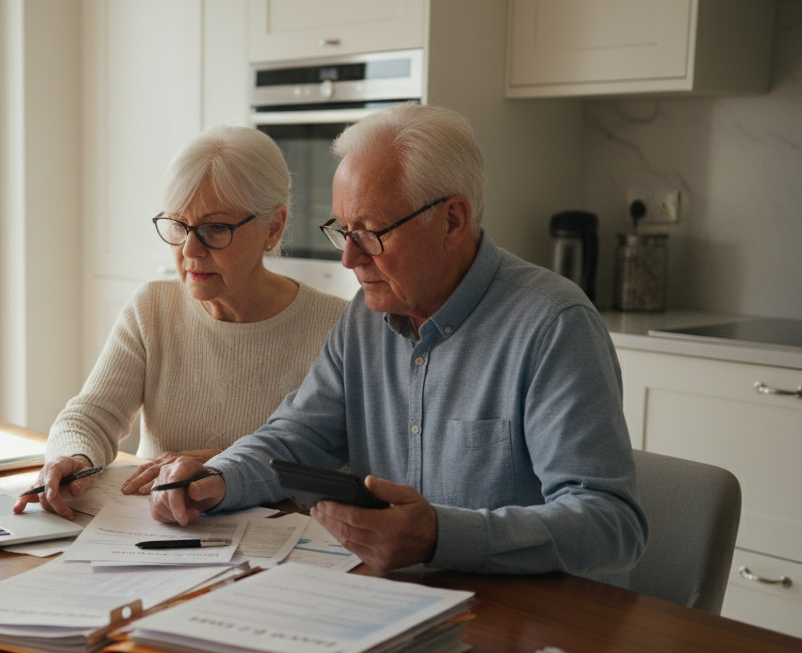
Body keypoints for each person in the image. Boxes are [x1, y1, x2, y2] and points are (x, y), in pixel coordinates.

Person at [148, 104, 647, 579]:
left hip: (524, 615)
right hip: (391, 602)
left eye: (369, 232)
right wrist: (218, 477)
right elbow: (294, 439)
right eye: (342, 231)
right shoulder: (364, 318)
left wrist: (441, 536)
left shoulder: (553, 325)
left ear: (452, 220)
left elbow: (610, 526)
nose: (349, 259)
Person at [16, 126, 348, 519]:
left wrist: (222, 464)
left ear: (273, 227)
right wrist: (73, 457)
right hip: (155, 531)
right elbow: (91, 414)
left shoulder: (335, 326)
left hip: (276, 544)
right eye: (179, 225)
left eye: (215, 228)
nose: (190, 249)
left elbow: (343, 466)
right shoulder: (153, 307)